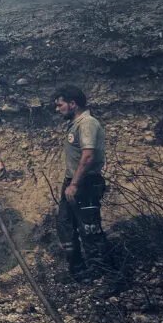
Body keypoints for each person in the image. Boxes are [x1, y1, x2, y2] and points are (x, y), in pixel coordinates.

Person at [53, 85, 109, 280]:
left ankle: (103, 275)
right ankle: (78, 270)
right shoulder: (75, 124)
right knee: (65, 224)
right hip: (73, 180)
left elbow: (88, 156)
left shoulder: (87, 123)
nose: (57, 109)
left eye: (60, 105)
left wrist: (75, 184)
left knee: (89, 229)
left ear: (73, 104)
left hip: (85, 183)